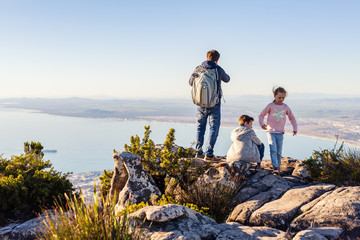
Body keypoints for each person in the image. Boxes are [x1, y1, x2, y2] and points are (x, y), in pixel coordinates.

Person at [189, 50, 230, 161]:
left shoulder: (198, 69)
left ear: (206, 57)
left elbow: (190, 82)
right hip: (214, 104)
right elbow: (227, 79)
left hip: (201, 104)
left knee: (200, 128)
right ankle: (209, 154)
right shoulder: (218, 69)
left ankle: (198, 153)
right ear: (217, 59)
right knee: (213, 129)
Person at [259, 87, 298, 175]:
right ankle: (275, 167)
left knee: (279, 151)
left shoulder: (285, 107)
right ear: (275, 96)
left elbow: (292, 118)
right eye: (279, 97)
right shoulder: (270, 106)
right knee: (273, 149)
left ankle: (278, 167)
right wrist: (262, 124)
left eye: (283, 98)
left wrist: (295, 128)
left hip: (280, 132)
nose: (281, 99)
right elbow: (261, 115)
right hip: (270, 131)